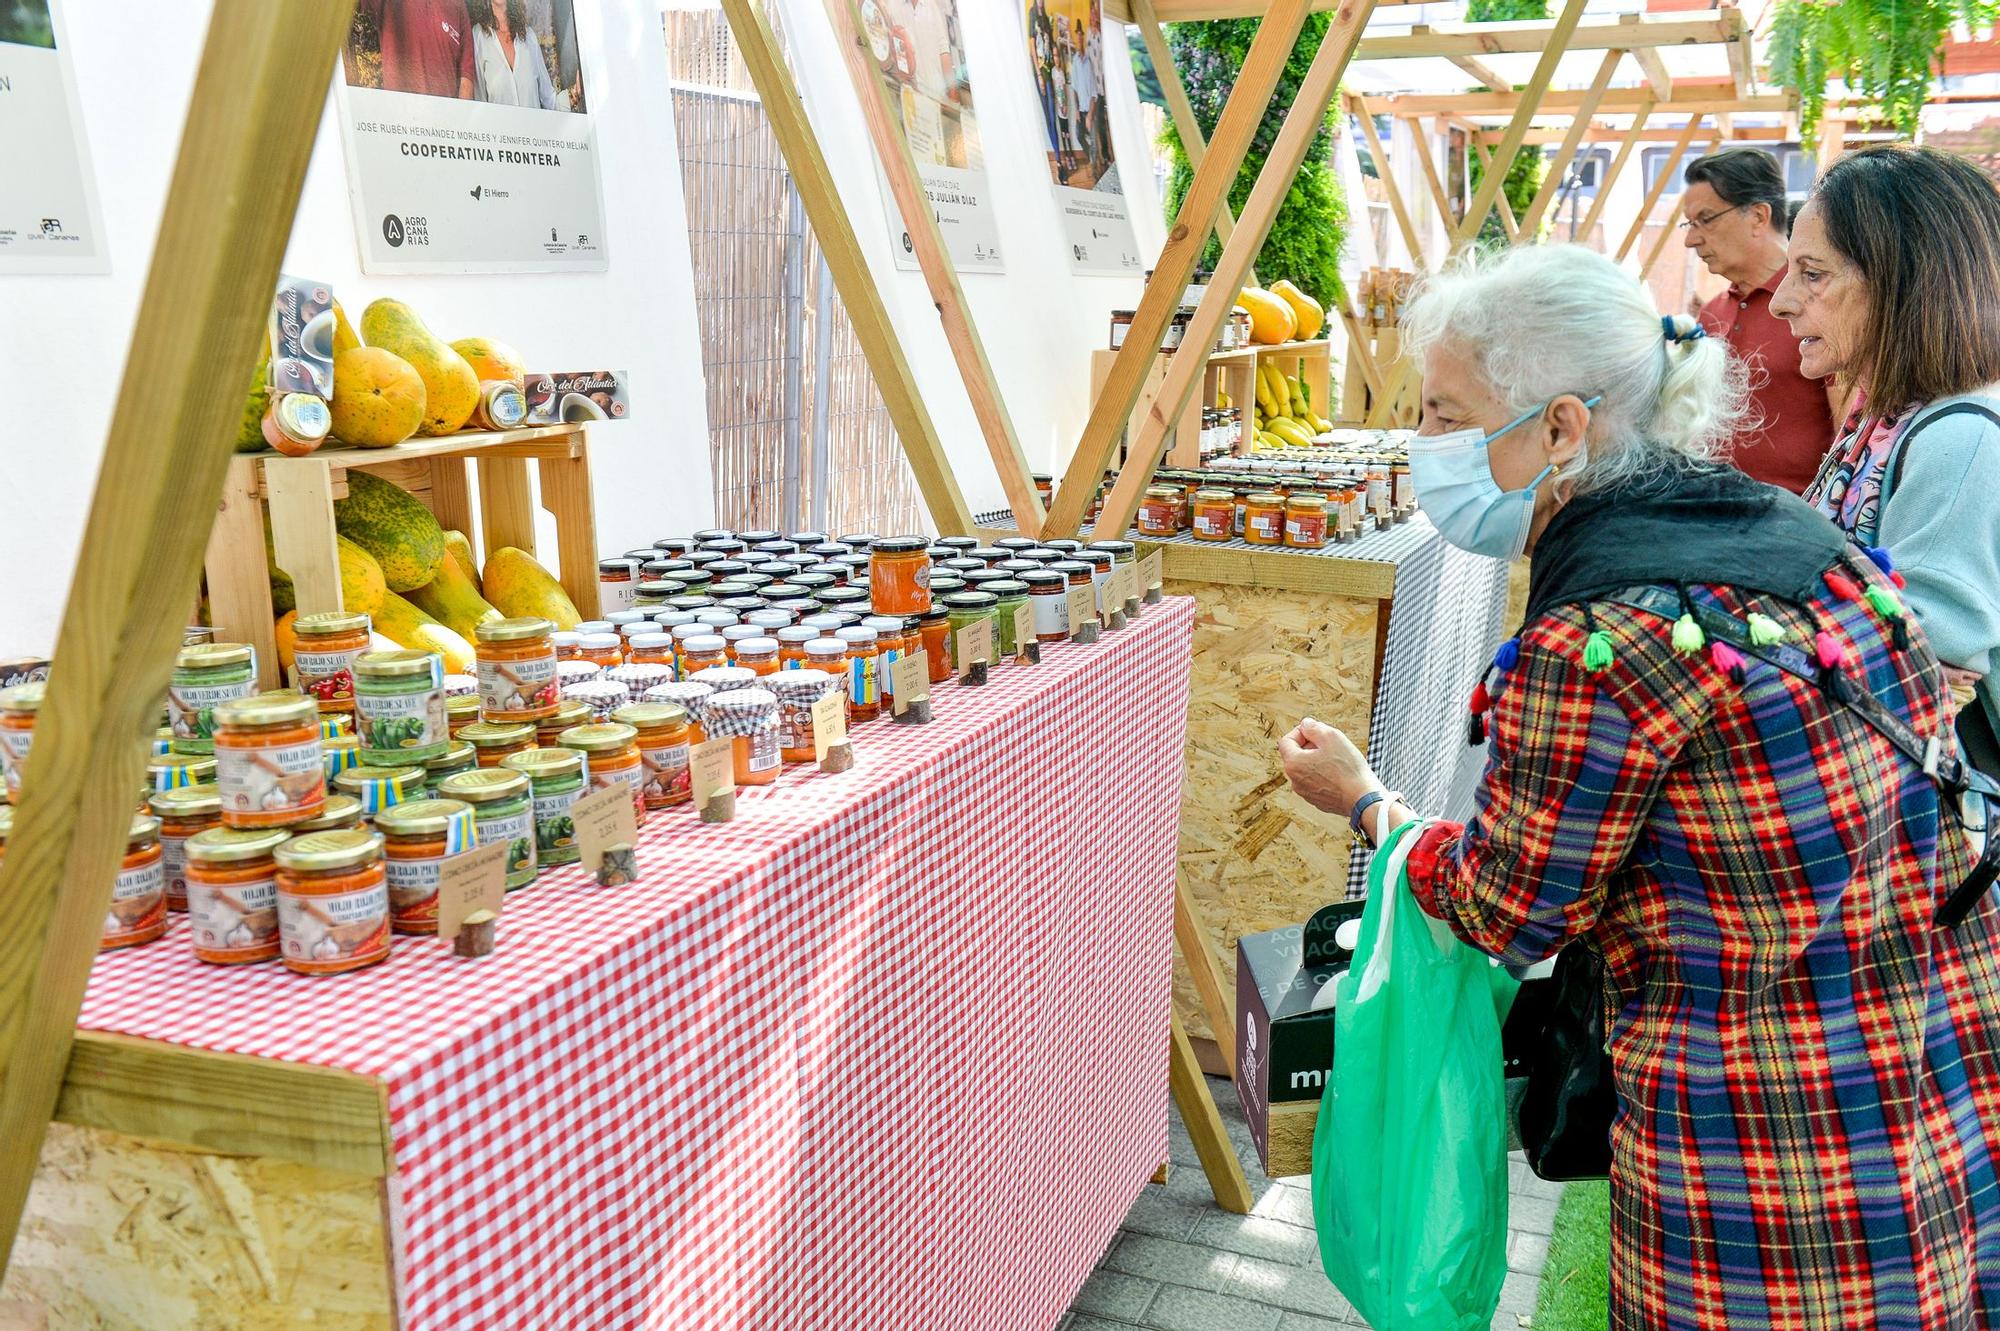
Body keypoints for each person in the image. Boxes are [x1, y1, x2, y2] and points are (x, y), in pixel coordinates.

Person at [1277, 242, 2000, 1330]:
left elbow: (1507, 905)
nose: (1419, 443)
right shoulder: (1802, 538)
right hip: (1925, 1070)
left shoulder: (1595, 642)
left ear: (1561, 427)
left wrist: (1369, 804)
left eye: (1440, 411)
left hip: (1760, 1146)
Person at [1774, 142, 2000, 773]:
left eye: (1813, 274)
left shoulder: (1960, 440)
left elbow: (1922, 670)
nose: (1782, 301)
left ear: (1906, 282)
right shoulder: (1883, 417)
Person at [1679, 147, 1840, 493]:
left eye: (1705, 220)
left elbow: (1850, 436)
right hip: (1712, 515)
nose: (1691, 239)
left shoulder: (1822, 305)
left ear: (1757, 216)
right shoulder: (1712, 312)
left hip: (1797, 525)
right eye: (1689, 224)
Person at [356, 0, 473, 100]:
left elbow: (466, 76)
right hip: (402, 118)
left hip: (444, 121)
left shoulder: (458, 5)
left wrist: (459, 121)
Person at [472, 0, 558, 110]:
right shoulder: (478, 36)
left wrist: (575, 92)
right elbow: (479, 103)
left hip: (535, 126)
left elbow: (549, 99)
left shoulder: (529, 36)